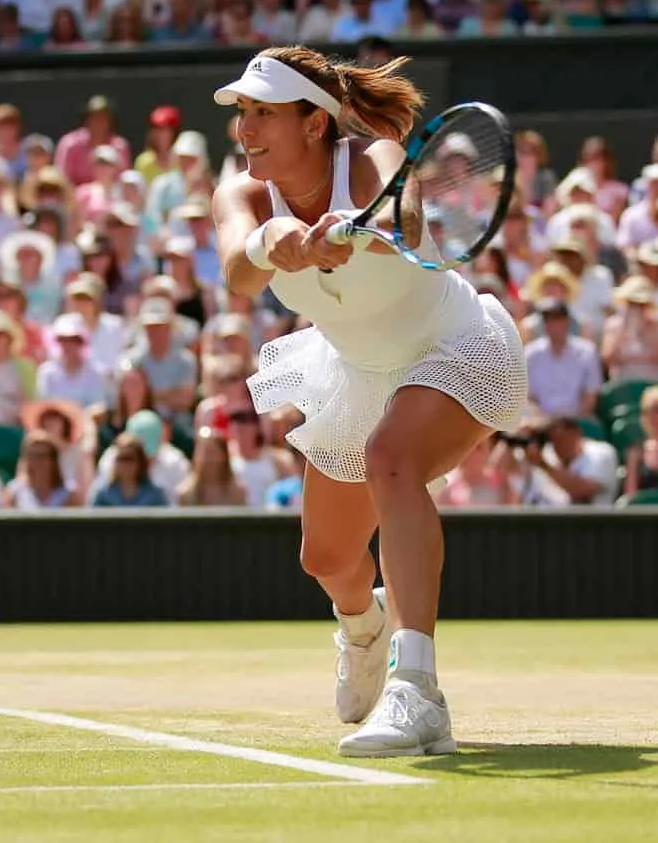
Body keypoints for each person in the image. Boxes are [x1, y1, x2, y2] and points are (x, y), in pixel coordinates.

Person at [211, 46, 526, 757]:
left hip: (451, 346)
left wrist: (354, 230)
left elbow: (406, 222)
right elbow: (235, 269)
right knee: (325, 560)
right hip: (355, 370)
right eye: (244, 114)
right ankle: (363, 628)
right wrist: (274, 240)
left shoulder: (376, 157)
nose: (246, 128)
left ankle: (417, 692)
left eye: (264, 113)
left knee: (391, 458)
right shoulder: (241, 193)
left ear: (313, 125)